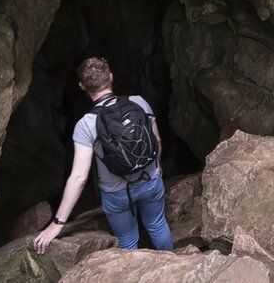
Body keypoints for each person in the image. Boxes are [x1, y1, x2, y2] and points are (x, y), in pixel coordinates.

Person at [34, 57, 173, 253]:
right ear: (111, 77)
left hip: (116, 194)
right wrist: (157, 167)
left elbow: (79, 178)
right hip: (150, 180)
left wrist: (57, 223)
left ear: (82, 86)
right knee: (157, 225)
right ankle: (173, 261)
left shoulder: (86, 124)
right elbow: (156, 140)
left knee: (127, 240)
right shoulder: (139, 102)